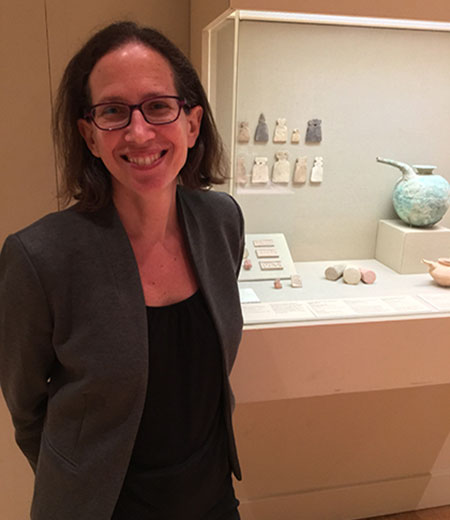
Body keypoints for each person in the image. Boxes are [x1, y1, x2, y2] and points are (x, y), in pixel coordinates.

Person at [0, 21, 244, 520]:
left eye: (158, 106)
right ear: (90, 135)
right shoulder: (39, 256)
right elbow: (26, 410)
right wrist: (76, 482)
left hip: (211, 497)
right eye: (113, 111)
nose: (139, 132)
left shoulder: (222, 221)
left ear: (192, 124)